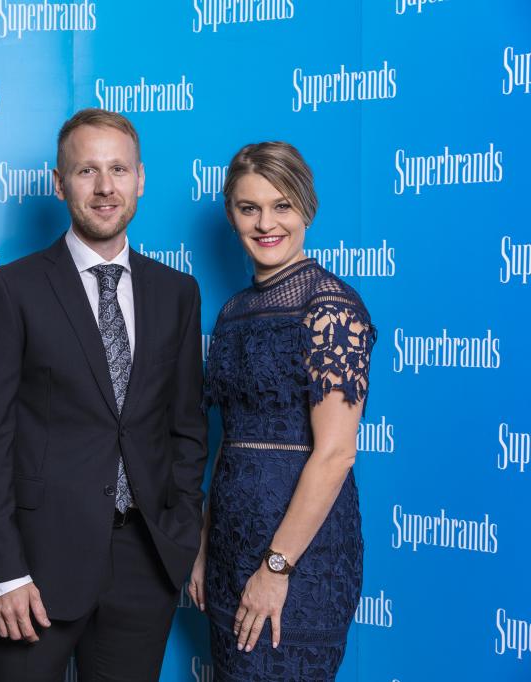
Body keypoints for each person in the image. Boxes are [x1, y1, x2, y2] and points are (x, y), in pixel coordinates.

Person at [0, 108, 208, 681]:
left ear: (140, 179)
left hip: (143, 564)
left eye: (118, 169)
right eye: (86, 171)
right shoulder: (12, 289)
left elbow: (187, 428)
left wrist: (180, 531)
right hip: (33, 569)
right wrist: (1, 571)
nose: (104, 187)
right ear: (59, 182)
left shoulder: (177, 292)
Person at [187, 142, 376, 680]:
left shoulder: (330, 307)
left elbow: (336, 454)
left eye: (282, 206)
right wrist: (204, 546)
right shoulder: (233, 312)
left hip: (302, 559)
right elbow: (228, 440)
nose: (266, 223)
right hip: (230, 547)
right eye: (249, 208)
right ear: (232, 216)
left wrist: (276, 567)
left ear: (306, 210)